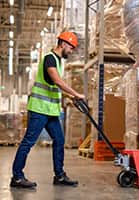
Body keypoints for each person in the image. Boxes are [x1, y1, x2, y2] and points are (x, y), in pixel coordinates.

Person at [10, 31, 85, 188]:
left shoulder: (58, 61)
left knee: (59, 140)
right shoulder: (50, 59)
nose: (71, 52)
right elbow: (56, 80)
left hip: (50, 111)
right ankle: (16, 177)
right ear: (63, 44)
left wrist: (69, 96)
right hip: (39, 110)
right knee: (28, 142)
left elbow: (52, 85)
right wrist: (75, 93)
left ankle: (59, 176)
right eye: (71, 48)